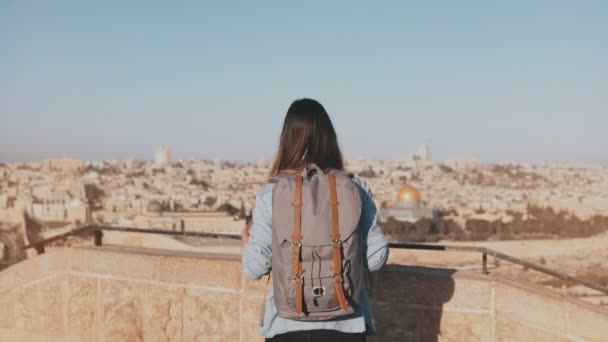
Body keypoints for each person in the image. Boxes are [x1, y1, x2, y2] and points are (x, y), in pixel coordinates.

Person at [241, 98, 389, 342]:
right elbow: (375, 260)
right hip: (346, 326)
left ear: (287, 140)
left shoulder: (272, 193)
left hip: (286, 326)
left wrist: (247, 241)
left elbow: (254, 267)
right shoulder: (356, 189)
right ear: (329, 138)